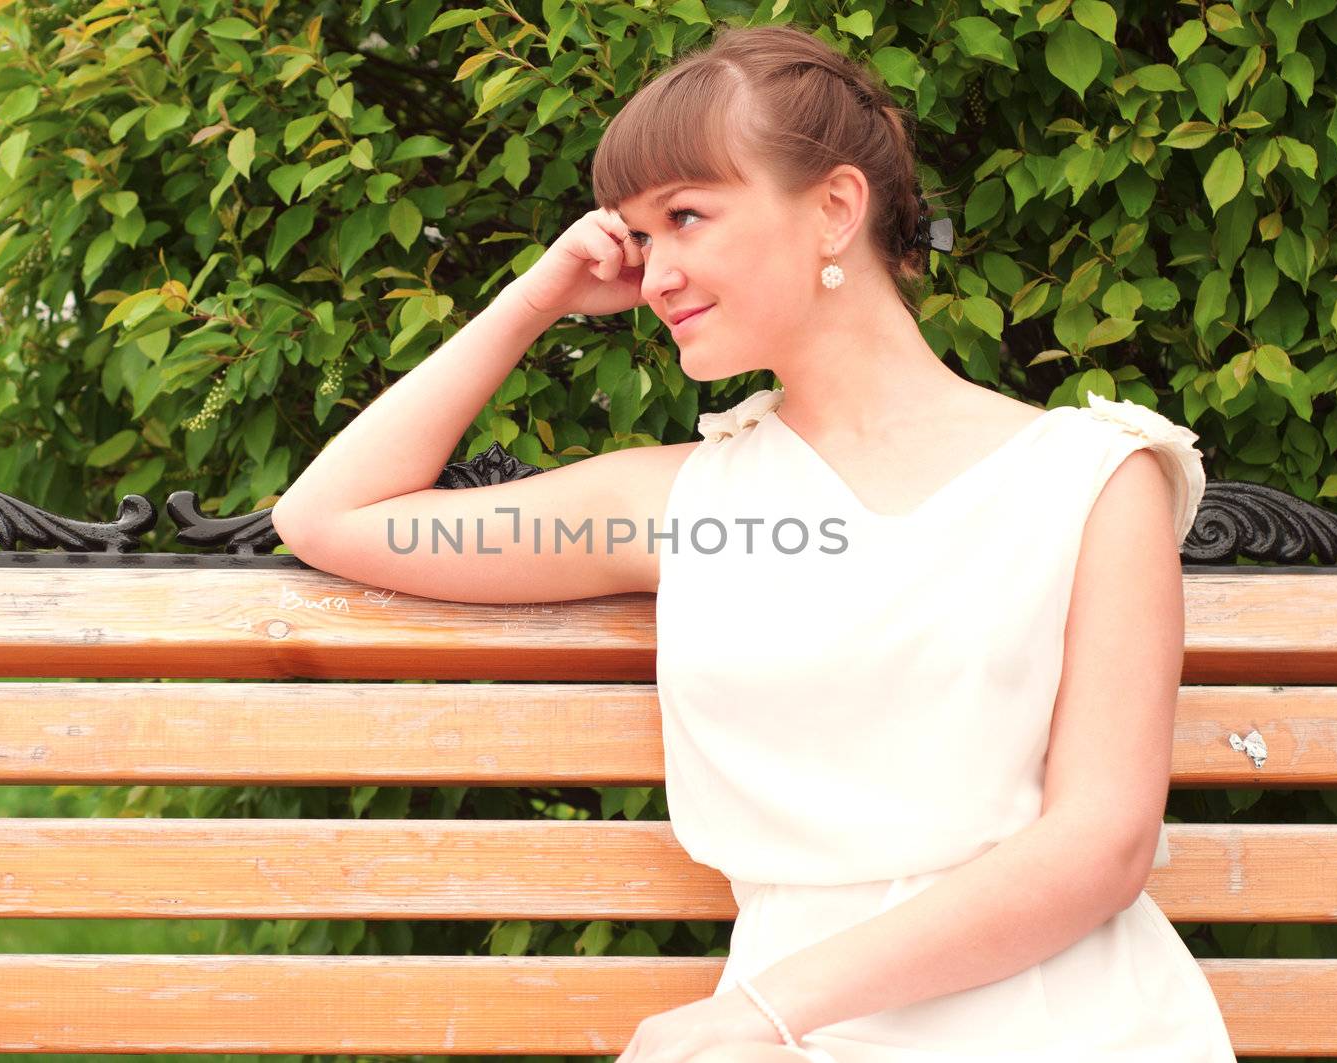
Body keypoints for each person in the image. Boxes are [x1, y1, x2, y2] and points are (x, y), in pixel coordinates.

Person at [271, 20, 1235, 1063]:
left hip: (1053, 1017)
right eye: (639, 237)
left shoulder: (1091, 478)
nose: (651, 277)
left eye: (685, 218)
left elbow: (1100, 845)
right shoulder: (680, 503)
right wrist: (532, 301)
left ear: (832, 208)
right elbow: (329, 519)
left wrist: (766, 1009)